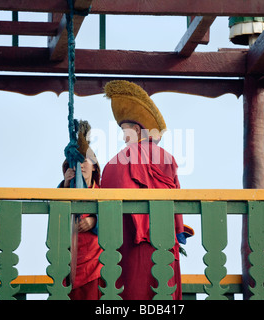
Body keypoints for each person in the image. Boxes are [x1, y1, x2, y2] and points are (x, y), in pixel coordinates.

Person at [100, 80, 185, 300]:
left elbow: (107, 193)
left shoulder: (120, 160)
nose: (123, 137)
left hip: (132, 246)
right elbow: (177, 204)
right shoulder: (168, 159)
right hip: (166, 247)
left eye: (124, 131)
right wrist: (178, 233)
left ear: (137, 129)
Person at [58, 120, 103, 300]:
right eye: (77, 163)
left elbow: (115, 223)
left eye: (85, 162)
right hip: (68, 261)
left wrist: (94, 221)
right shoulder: (64, 190)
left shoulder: (102, 193)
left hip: (95, 264)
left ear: (94, 167)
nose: (81, 166)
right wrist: (66, 185)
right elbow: (56, 219)